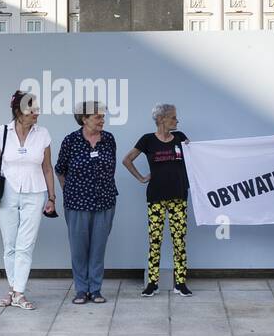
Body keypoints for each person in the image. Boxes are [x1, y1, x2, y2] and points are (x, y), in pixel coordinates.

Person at [0, 91, 56, 310]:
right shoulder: (3, 131)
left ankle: (18, 292)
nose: (36, 113)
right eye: (32, 109)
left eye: (37, 109)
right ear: (19, 112)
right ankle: (13, 290)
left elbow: (47, 168)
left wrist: (51, 197)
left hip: (35, 192)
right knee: (10, 244)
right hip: (8, 192)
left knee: (25, 245)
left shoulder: (43, 134)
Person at [123, 103, 192, 297]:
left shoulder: (180, 137)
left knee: (179, 241)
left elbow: (197, 155)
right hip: (156, 198)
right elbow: (127, 159)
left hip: (179, 196)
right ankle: (152, 283)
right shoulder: (147, 140)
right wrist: (141, 178)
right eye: (173, 117)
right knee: (155, 240)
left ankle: (181, 283)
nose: (177, 121)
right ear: (161, 119)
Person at [55, 101, 118, 303]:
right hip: (76, 203)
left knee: (98, 247)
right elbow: (60, 169)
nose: (102, 120)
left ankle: (96, 289)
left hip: (105, 201)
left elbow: (111, 168)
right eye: (98, 116)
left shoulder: (109, 139)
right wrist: (69, 192)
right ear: (84, 119)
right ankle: (81, 289)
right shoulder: (71, 140)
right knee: (79, 248)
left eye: (103, 116)